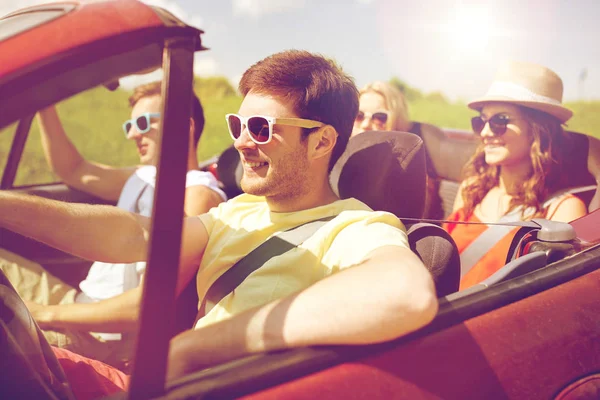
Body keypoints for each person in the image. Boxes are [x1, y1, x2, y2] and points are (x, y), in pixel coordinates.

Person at [0, 50, 438, 396]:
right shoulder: (239, 209)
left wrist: (191, 348)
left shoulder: (356, 226)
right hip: (158, 383)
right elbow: (141, 235)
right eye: (238, 124)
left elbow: (407, 295)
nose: (242, 142)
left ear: (321, 140)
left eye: (262, 128)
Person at [0, 81, 226, 366]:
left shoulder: (199, 197)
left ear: (184, 127)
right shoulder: (143, 175)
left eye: (143, 123)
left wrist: (44, 313)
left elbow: (146, 306)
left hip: (101, 340)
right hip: (75, 303)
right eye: (129, 125)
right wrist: (46, 103)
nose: (132, 134)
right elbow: (73, 170)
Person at [443, 61, 588, 290]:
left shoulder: (562, 211)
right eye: (480, 121)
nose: (486, 132)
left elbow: (558, 296)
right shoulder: (471, 190)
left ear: (538, 129)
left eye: (500, 121)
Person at [352, 81, 444, 219]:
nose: (365, 124)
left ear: (397, 123)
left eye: (380, 118)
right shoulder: (333, 161)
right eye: (358, 115)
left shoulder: (412, 175)